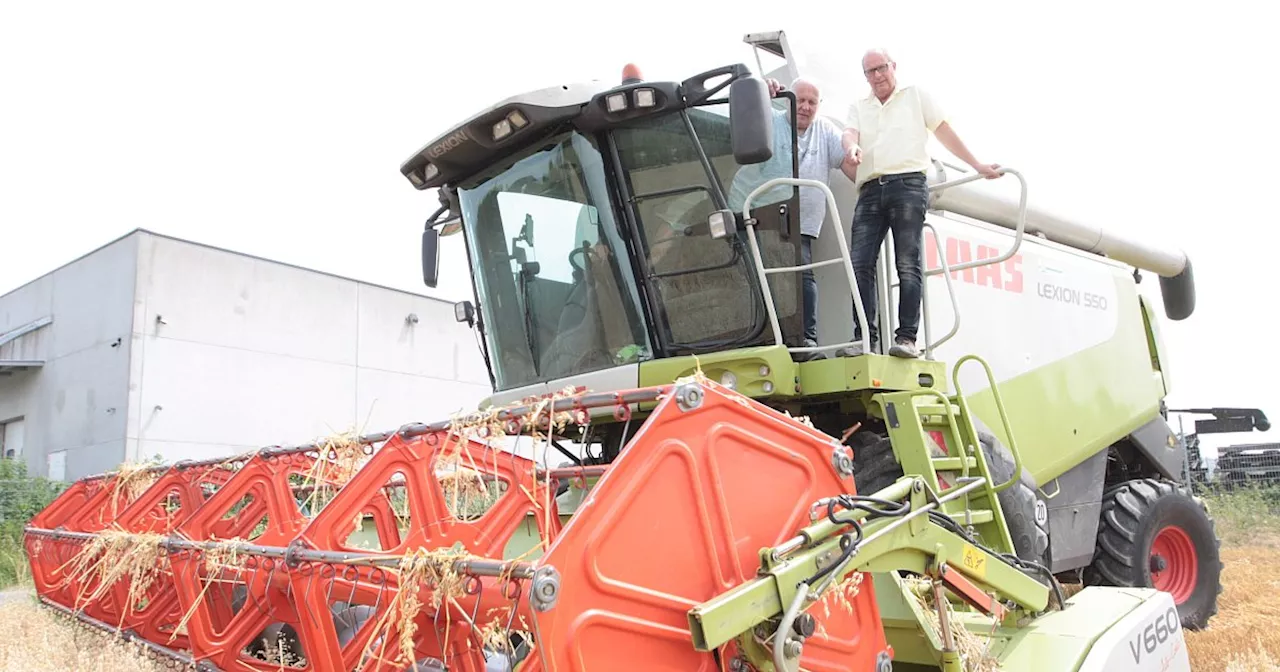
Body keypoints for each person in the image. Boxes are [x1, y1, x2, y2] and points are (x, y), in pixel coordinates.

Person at [838, 48, 1001, 359]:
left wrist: (977, 165)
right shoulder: (859, 106)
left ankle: (907, 338)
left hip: (908, 185)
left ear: (893, 66)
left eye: (881, 68)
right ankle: (864, 339)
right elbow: (849, 133)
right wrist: (852, 146)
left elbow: (944, 132)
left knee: (907, 263)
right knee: (859, 264)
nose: (877, 76)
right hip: (870, 189)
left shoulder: (916, 96)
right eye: (870, 72)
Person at [761, 77, 857, 355]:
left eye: (811, 102)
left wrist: (876, 185)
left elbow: (851, 168)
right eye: (799, 100)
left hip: (804, 222)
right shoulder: (771, 121)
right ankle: (775, 338)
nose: (804, 107)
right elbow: (743, 122)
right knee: (773, 276)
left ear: (819, 105)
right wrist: (760, 90)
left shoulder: (825, 130)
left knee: (802, 274)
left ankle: (806, 339)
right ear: (787, 98)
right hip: (769, 216)